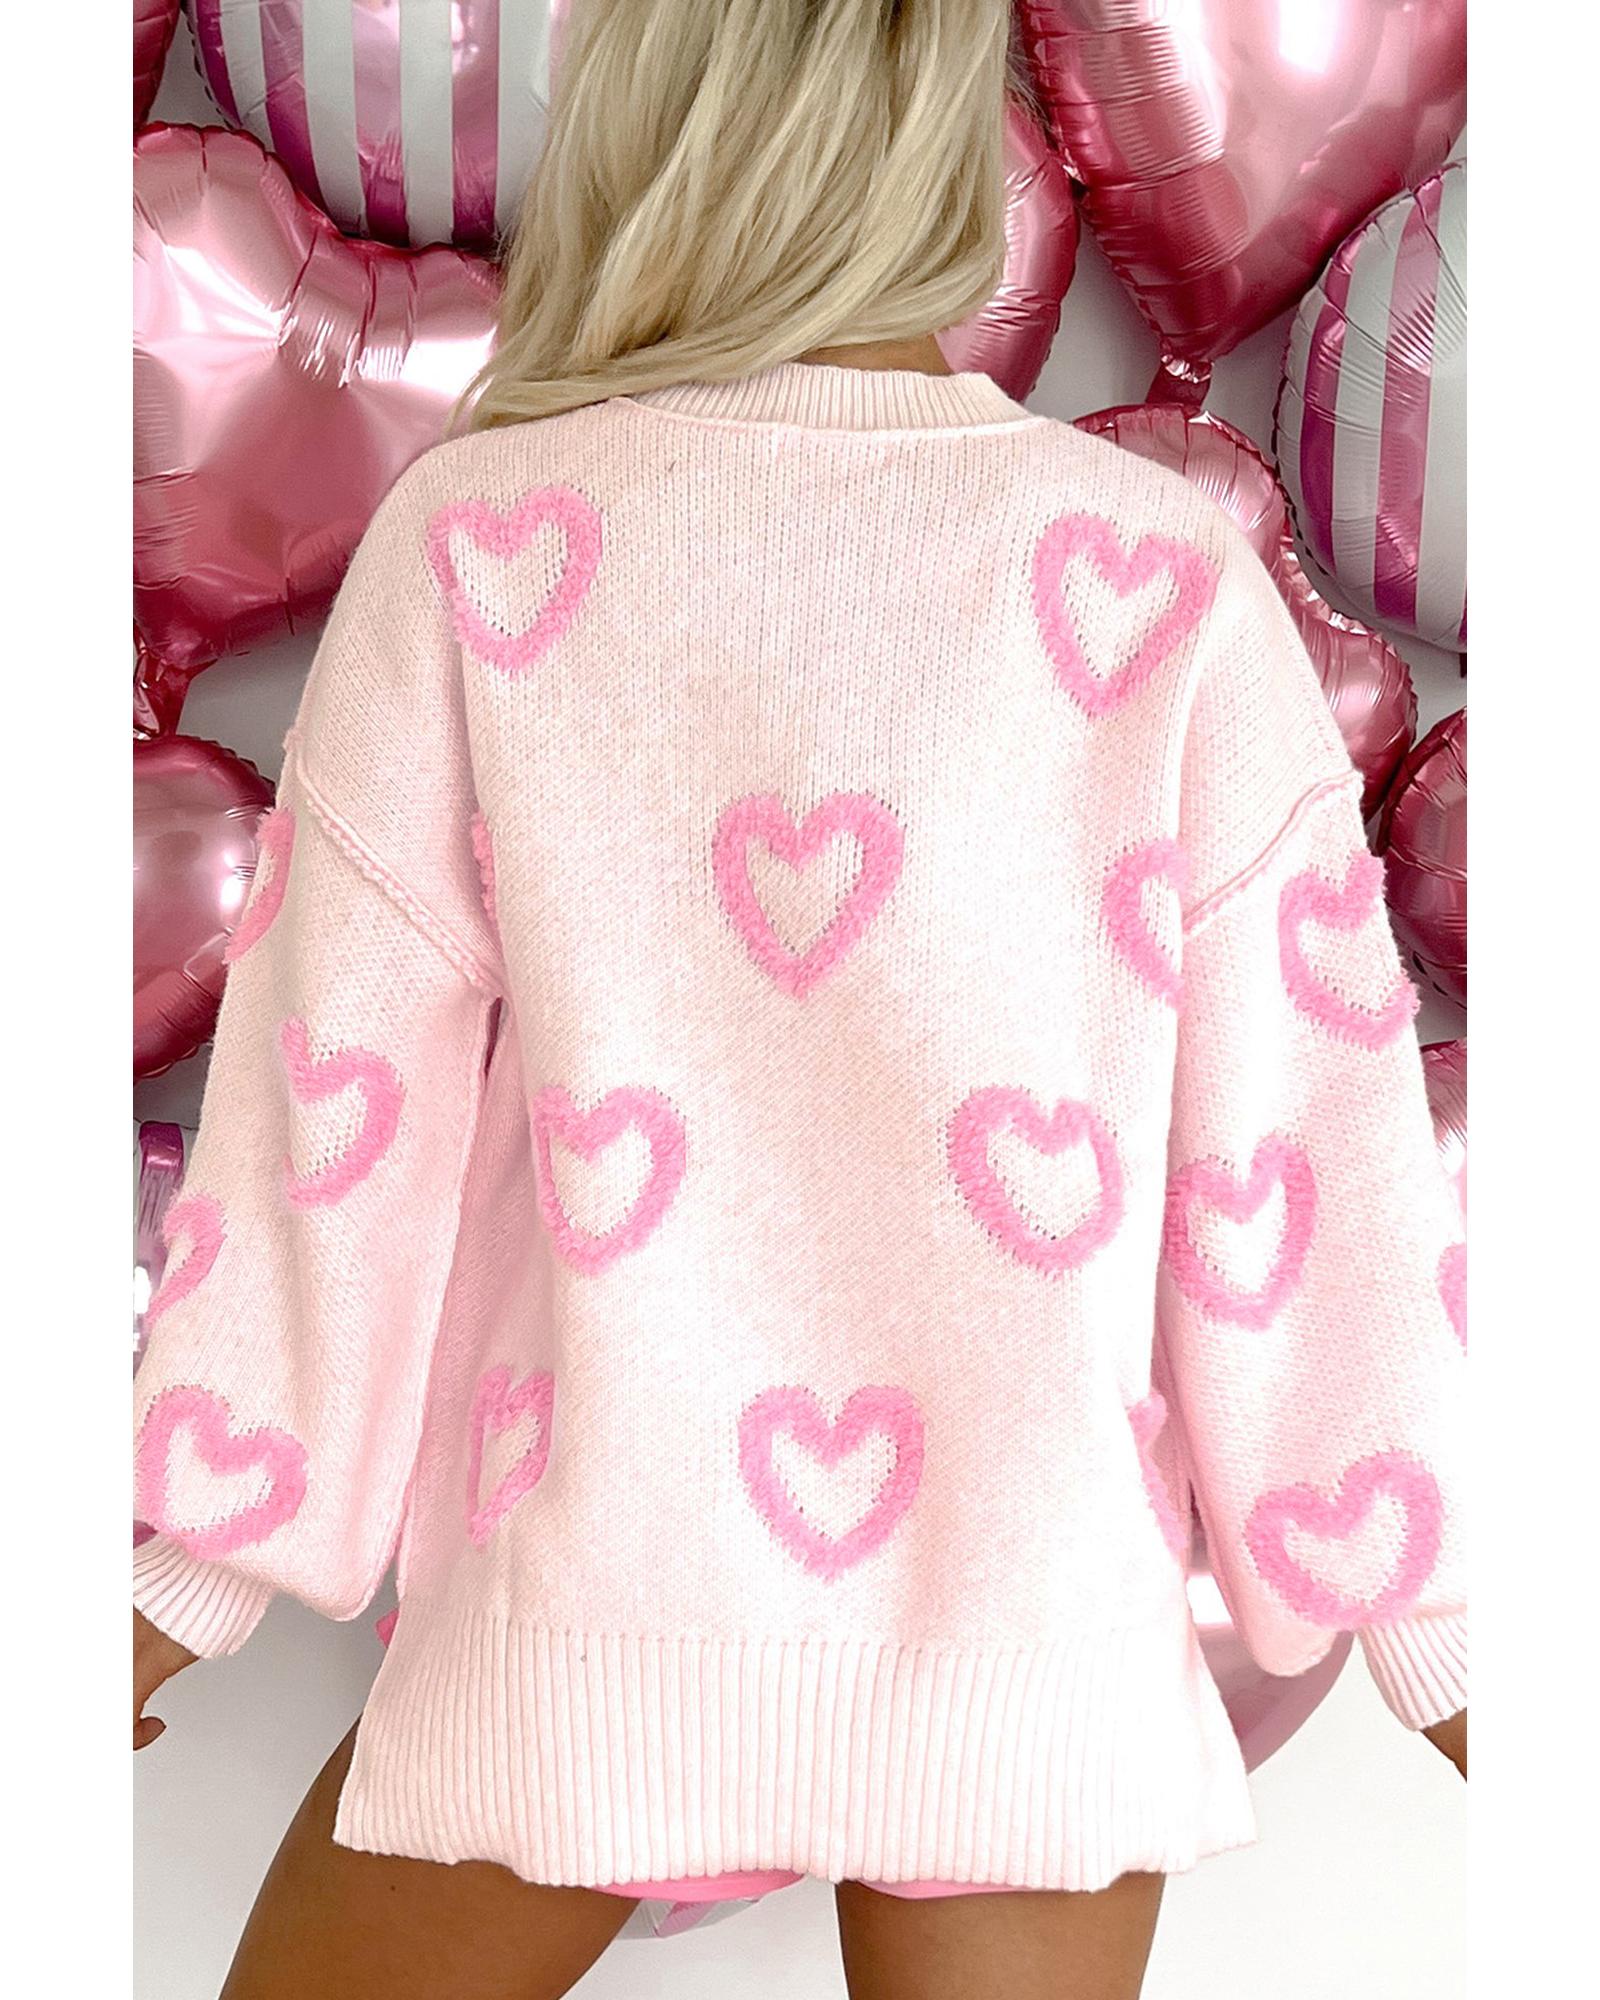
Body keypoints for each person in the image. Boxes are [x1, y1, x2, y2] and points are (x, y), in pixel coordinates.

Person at [132, 4, 1466, 1996]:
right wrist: (1443, 1632)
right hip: (1023, 1639)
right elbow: (1304, 1156)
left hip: (590, 1614)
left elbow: (337, 1125)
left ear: (637, 126)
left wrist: (180, 1584)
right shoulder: (1158, 575)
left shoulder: (485, 542)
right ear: (948, 157)